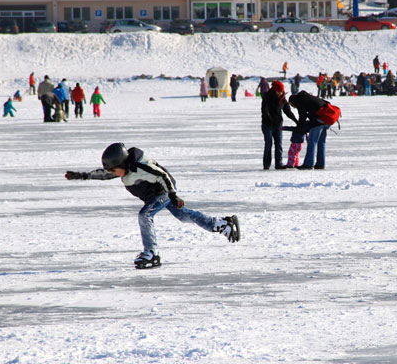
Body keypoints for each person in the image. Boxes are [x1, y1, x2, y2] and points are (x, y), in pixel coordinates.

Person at [64, 143, 240, 268]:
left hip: (162, 192)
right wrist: (81, 175)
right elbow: (103, 174)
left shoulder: (140, 166)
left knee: (145, 216)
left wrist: (173, 195)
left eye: (113, 170)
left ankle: (151, 253)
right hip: (154, 195)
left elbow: (163, 176)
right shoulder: (124, 168)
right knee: (182, 215)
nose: (112, 174)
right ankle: (222, 224)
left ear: (121, 164)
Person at [289, 90, 335, 170]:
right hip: (326, 119)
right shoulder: (308, 97)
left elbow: (302, 116)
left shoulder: (300, 101)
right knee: (321, 142)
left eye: (292, 105)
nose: (293, 107)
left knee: (312, 142)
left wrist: (299, 127)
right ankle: (321, 164)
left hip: (319, 121)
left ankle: (308, 164)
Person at [260, 80, 297, 170]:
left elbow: (287, 111)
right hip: (267, 124)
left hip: (278, 124)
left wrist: (296, 121)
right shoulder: (267, 96)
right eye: (278, 91)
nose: (280, 93)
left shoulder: (283, 98)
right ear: (274, 90)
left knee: (279, 144)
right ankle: (266, 164)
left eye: (281, 92)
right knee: (268, 144)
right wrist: (269, 119)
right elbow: (265, 110)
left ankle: (278, 163)